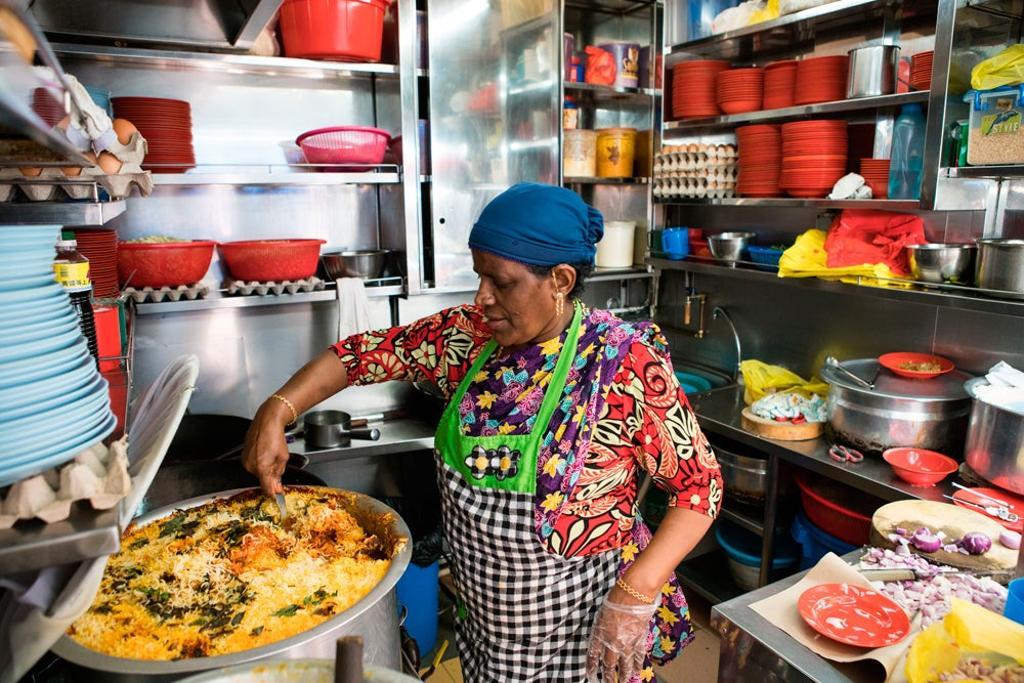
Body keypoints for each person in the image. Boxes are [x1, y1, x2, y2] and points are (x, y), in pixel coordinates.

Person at [243, 183, 723, 683]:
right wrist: (279, 409)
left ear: (560, 279)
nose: (482, 297)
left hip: (585, 634)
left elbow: (700, 486)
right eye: (479, 277)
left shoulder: (621, 364)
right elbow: (363, 354)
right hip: (487, 634)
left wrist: (638, 589)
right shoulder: (468, 338)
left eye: (501, 282)